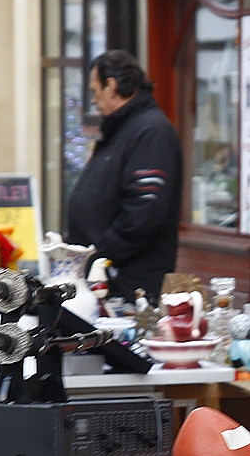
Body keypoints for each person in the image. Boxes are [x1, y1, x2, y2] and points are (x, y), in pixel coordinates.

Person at [66, 50, 183, 303]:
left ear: (112, 86)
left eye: (95, 92)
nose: (94, 101)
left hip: (129, 286)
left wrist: (101, 256)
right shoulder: (122, 129)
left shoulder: (151, 132)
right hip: (104, 280)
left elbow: (144, 212)